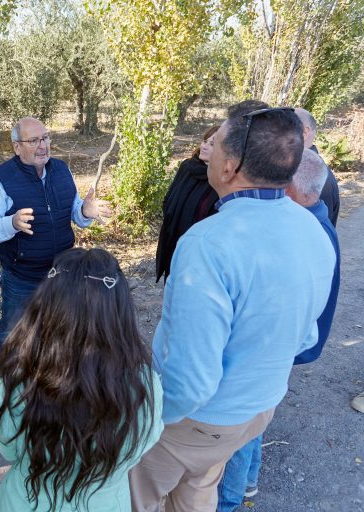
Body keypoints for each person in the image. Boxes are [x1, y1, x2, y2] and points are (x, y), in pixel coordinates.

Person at [129, 103, 336, 512]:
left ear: (230, 167)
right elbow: (306, 336)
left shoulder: (208, 244)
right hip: (258, 408)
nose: (207, 150)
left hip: (198, 420)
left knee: (136, 496)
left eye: (217, 142)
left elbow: (191, 381)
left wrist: (150, 419)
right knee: (198, 489)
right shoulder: (312, 228)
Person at [0, 247, 163, 511]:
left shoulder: (20, 373)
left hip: (26, 501)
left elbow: (8, 449)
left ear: (44, 307)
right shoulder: (144, 384)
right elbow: (141, 447)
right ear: (120, 312)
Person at [216, 148, 341, 511]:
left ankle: (229, 500)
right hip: (289, 342)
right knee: (257, 417)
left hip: (276, 345)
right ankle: (249, 481)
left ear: (289, 190)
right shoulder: (317, 222)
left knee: (244, 422)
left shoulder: (305, 231)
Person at [0, 117, 110, 351]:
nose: (43, 146)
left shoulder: (61, 170)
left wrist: (84, 211)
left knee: (60, 341)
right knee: (14, 343)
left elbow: (74, 212)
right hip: (22, 279)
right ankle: (9, 376)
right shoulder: (1, 179)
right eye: (34, 141)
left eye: (46, 138)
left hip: (62, 276)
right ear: (17, 147)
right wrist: (12, 223)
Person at [155, 125, 220, 282]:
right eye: (205, 141)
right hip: (173, 242)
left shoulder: (221, 178)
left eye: (212, 144)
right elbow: (169, 198)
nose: (204, 146)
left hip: (199, 253)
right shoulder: (188, 167)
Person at [294, 107, 340, 226]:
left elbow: (319, 229)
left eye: (287, 127)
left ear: (304, 132)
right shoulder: (303, 168)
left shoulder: (314, 175)